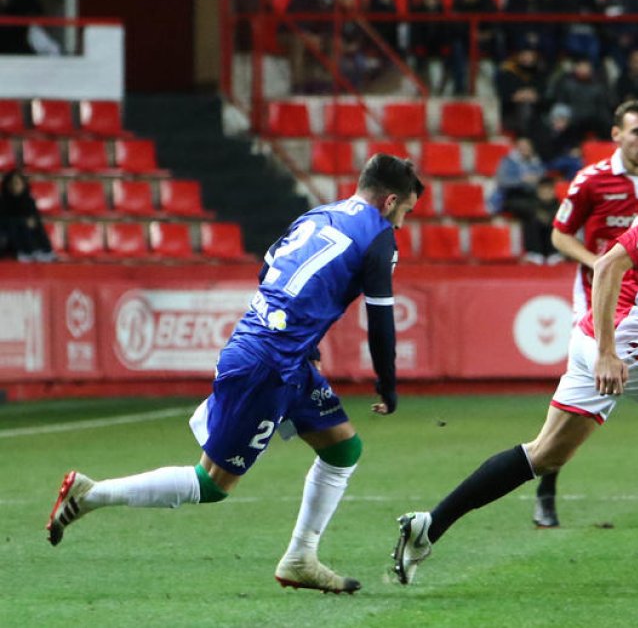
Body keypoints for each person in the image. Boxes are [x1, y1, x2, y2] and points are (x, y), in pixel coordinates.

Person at [393, 121, 638, 584]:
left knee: (545, 455)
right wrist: (607, 353)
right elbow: (608, 265)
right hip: (622, 340)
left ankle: (428, 526)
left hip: (600, 337)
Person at [46, 155, 425, 594]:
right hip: (270, 364)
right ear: (390, 200)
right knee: (212, 483)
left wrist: (310, 345)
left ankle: (301, 557)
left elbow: (269, 272)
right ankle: (91, 495)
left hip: (275, 350)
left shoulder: (319, 214)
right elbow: (381, 319)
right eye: (404, 213)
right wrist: (388, 383)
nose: (400, 224)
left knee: (342, 448)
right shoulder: (379, 238)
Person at [535, 99, 638, 527]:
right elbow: (559, 234)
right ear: (617, 136)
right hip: (594, 300)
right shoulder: (592, 180)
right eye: (637, 132)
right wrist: (595, 263)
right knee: (577, 402)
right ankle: (545, 492)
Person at [0, 169, 55, 261]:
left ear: (24, 185)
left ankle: (42, 251)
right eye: (11, 183)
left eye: (18, 183)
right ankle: (24, 253)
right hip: (8, 241)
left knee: (34, 227)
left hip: (27, 239)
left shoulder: (29, 201)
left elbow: (35, 223)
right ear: (6, 185)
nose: (14, 187)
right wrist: (22, 222)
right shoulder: (2, 202)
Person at [491, 136, 547, 215]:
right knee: (534, 209)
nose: (525, 149)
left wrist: (537, 179)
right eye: (522, 147)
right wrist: (522, 180)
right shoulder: (508, 161)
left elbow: (543, 178)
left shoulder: (536, 162)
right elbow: (502, 181)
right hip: (511, 197)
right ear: (517, 148)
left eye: (527, 146)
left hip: (531, 196)